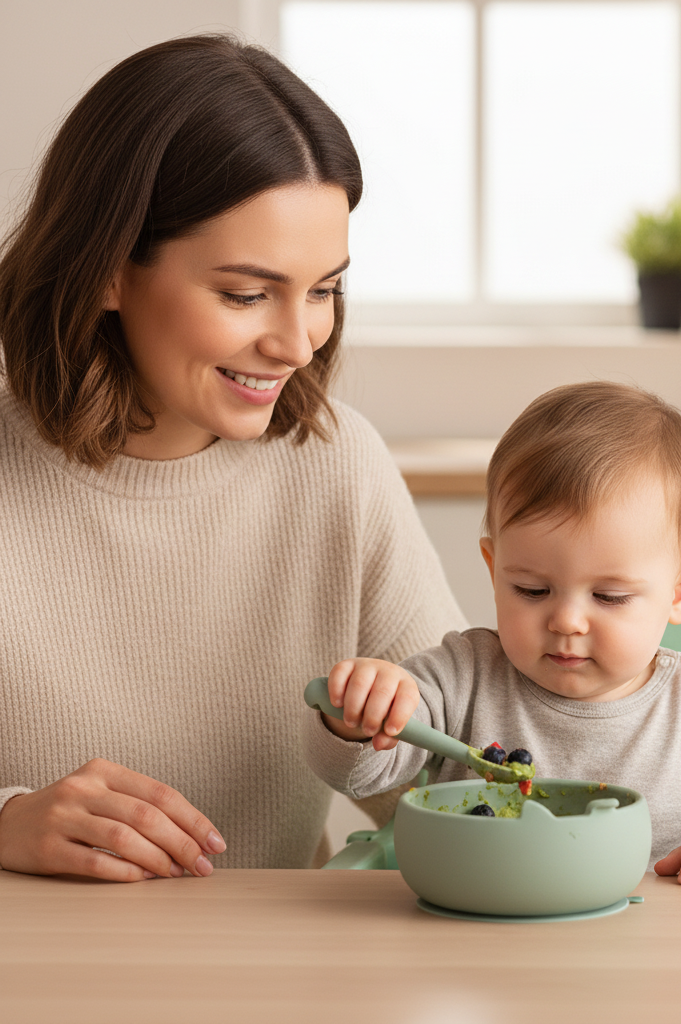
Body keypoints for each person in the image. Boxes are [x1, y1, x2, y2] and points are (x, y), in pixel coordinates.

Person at [0, 35, 464, 881]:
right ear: (106, 270)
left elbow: (459, 787)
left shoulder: (338, 468)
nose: (297, 342)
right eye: (247, 294)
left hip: (276, 980)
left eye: (324, 289)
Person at [304, 381, 681, 887]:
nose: (566, 621)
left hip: (649, 952)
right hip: (481, 934)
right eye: (531, 589)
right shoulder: (459, 677)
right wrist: (361, 717)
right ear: (494, 566)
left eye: (609, 597)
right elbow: (356, 775)